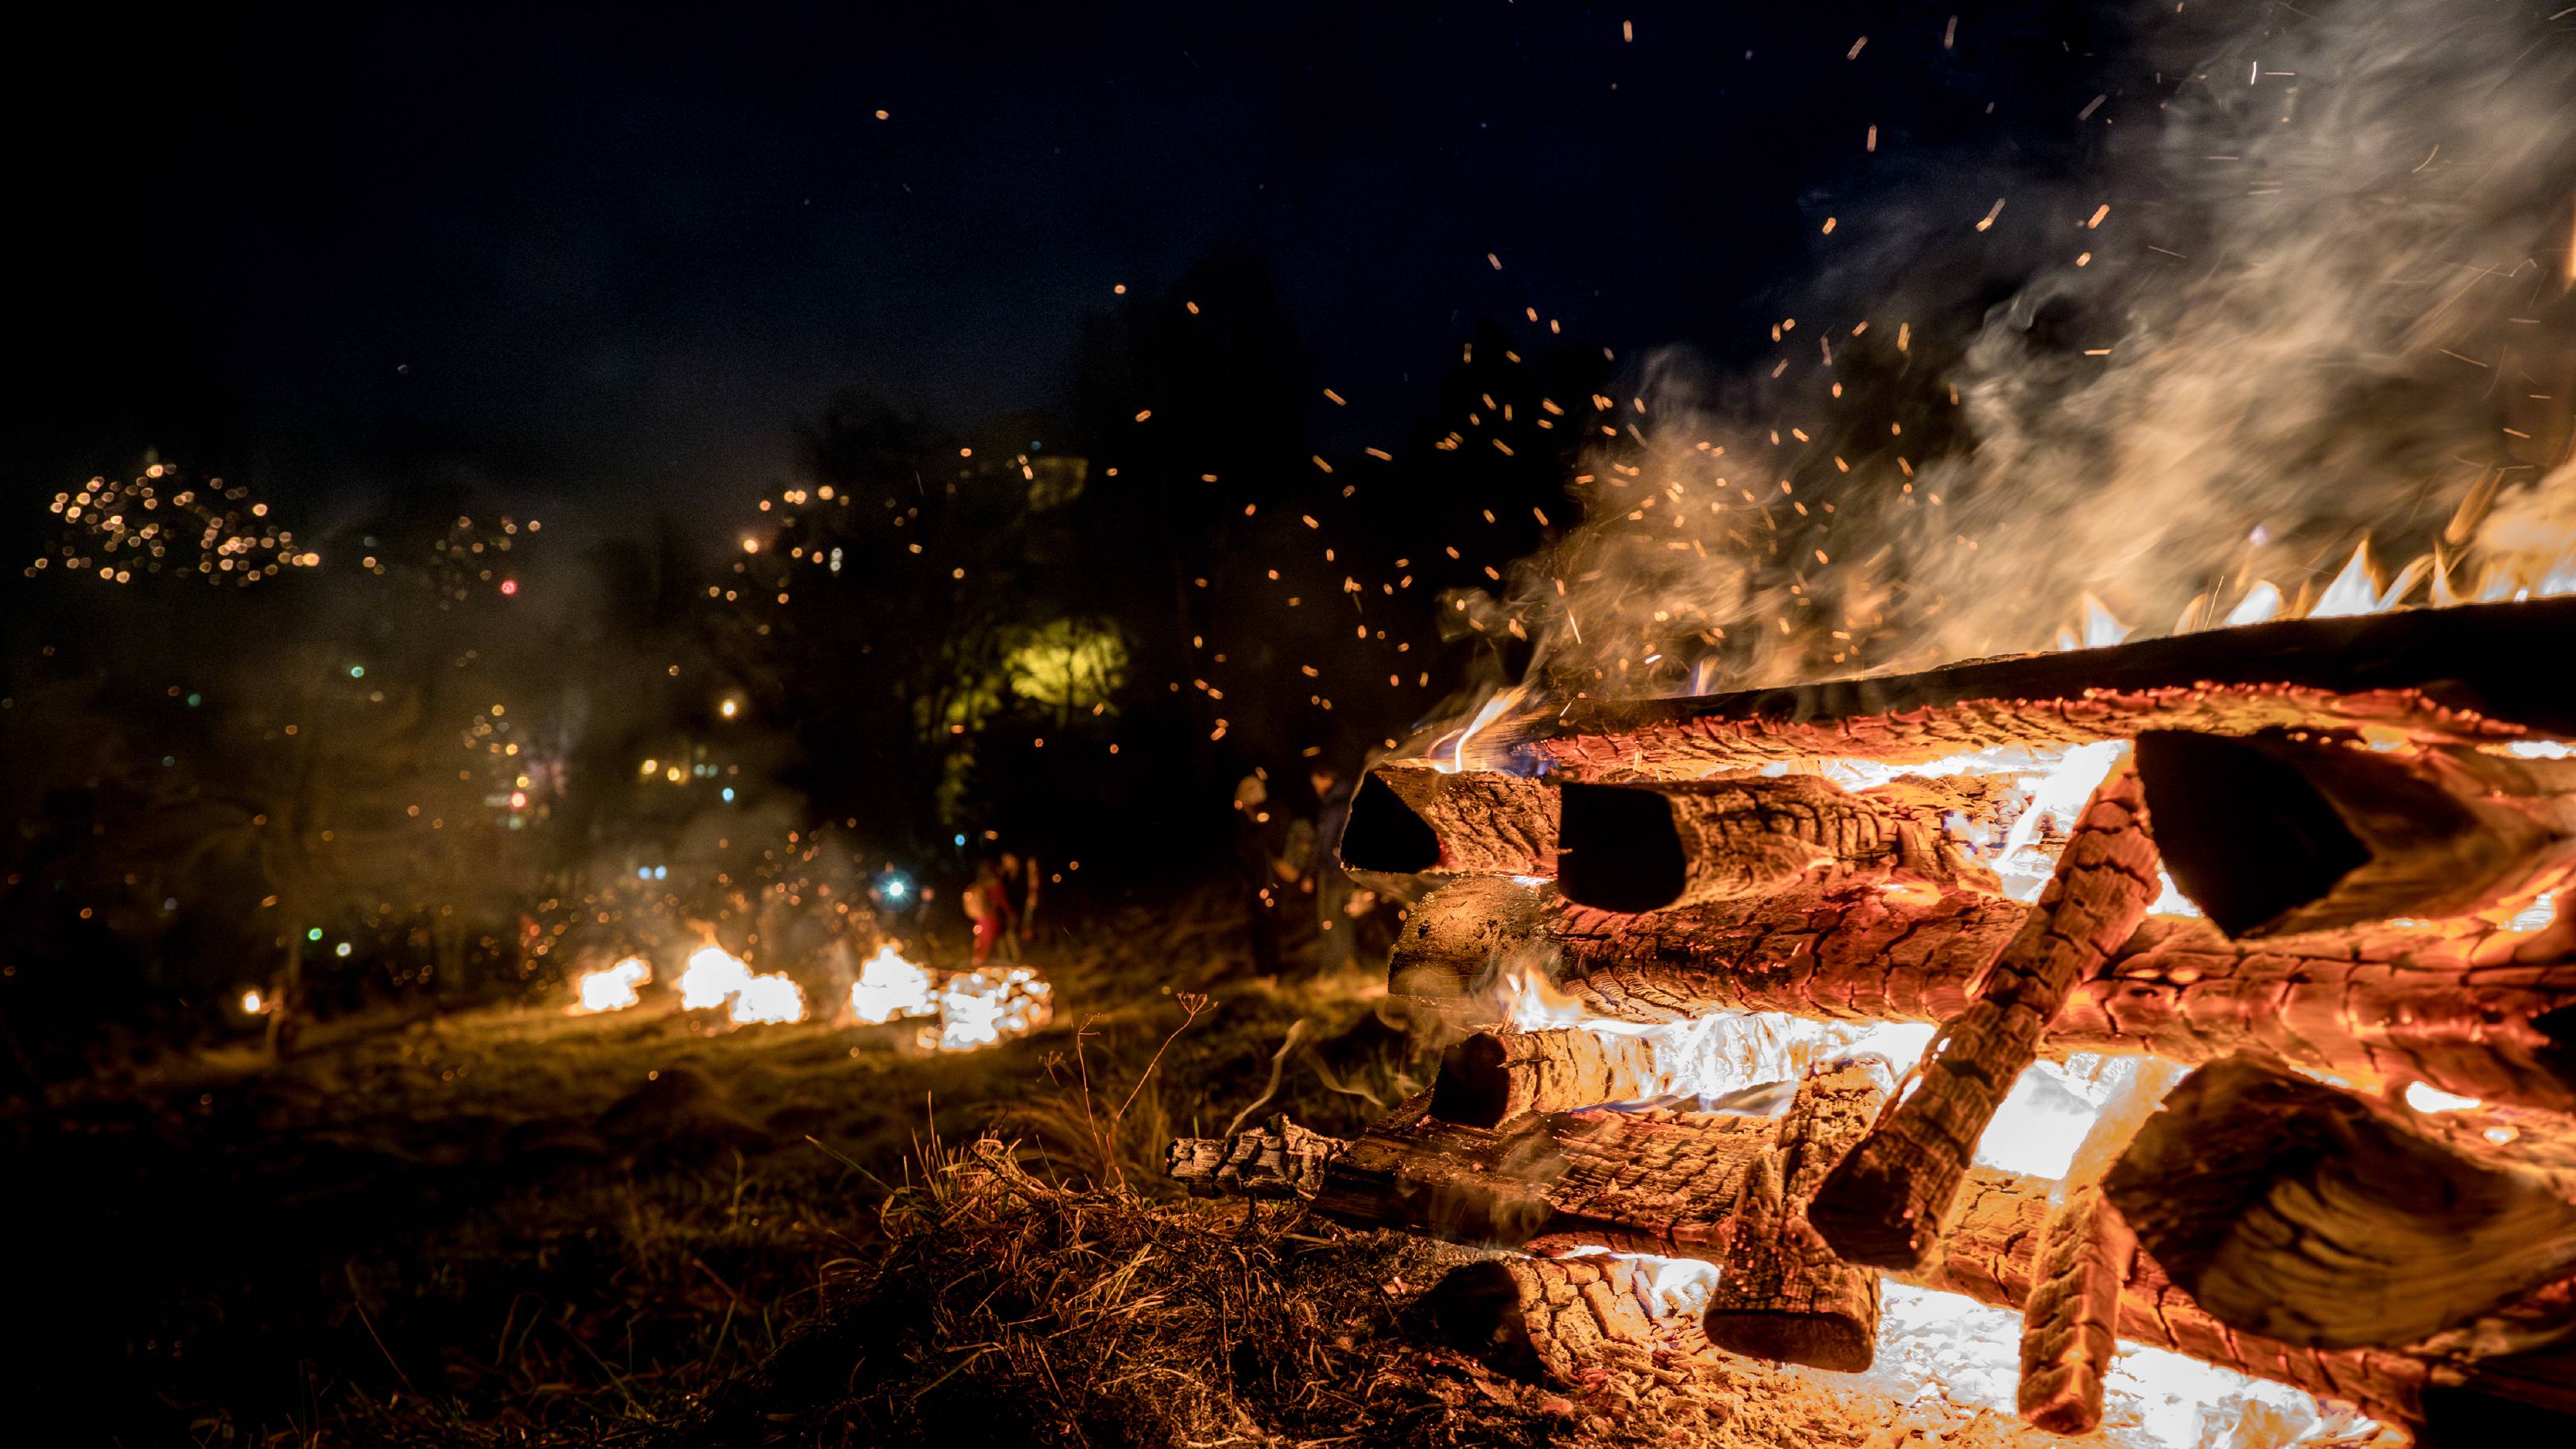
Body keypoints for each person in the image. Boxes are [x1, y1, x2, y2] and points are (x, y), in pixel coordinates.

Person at [1232, 772, 1291, 975]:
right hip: (1252, 883)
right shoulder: (1244, 821)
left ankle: (1271, 971)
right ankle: (1264, 970)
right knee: (1258, 928)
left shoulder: (1268, 818)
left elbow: (1264, 847)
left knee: (1268, 927)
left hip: (1268, 881)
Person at [1305, 761, 1360, 973]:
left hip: (1332, 870)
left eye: (1316, 783)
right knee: (1343, 918)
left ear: (1327, 778)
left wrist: (1314, 870)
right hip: (1344, 870)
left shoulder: (1335, 805)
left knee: (1330, 919)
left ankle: (1334, 968)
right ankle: (1349, 964)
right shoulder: (1347, 800)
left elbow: (1326, 842)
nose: (1316, 788)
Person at [963, 860, 1007, 967]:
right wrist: (1009, 912)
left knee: (982, 939)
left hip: (981, 917)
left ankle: (978, 961)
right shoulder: (994, 883)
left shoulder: (978, 884)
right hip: (990, 916)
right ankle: (982, 962)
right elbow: (1001, 901)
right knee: (988, 940)